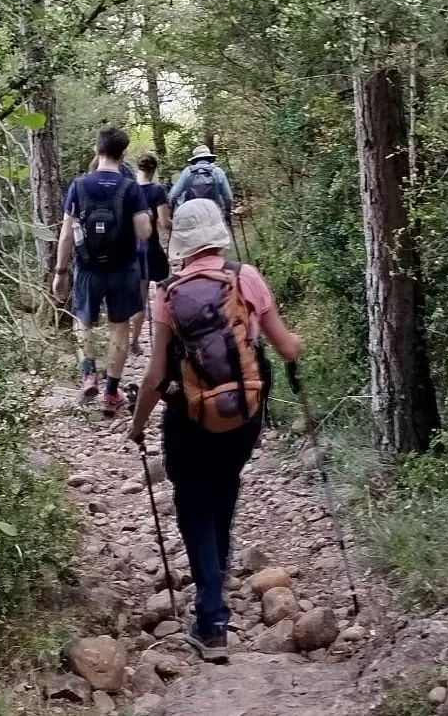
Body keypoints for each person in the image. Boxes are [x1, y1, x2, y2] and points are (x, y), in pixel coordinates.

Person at [125, 198, 304, 663]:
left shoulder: (167, 292)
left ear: (181, 243)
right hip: (243, 414)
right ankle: (215, 594)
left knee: (192, 505)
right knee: (224, 492)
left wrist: (138, 424)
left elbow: (156, 374)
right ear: (219, 234)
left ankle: (211, 617)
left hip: (189, 416)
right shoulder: (247, 277)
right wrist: (298, 342)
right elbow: (285, 349)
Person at [54, 126, 152, 415]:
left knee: (82, 322)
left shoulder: (79, 186)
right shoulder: (130, 187)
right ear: (123, 155)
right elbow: (144, 232)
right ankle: (111, 393)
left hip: (87, 269)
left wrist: (60, 273)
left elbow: (66, 235)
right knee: (119, 327)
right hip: (123, 269)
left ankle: (87, 375)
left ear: (96, 150)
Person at [130, 152, 172, 357]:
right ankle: (168, 335)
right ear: (154, 170)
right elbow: (165, 223)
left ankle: (134, 342)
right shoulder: (157, 190)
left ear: (137, 168)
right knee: (167, 291)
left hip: (132, 251)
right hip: (153, 249)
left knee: (140, 297)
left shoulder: (128, 189)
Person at [168, 144, 234, 216]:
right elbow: (228, 197)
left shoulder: (187, 171)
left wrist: (171, 210)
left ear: (194, 159)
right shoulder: (218, 171)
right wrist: (227, 211)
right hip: (214, 212)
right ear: (209, 158)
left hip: (192, 213)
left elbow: (174, 195)